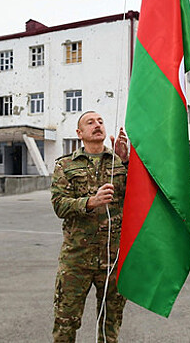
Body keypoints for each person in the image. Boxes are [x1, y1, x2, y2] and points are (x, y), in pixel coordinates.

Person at [51, 111, 129, 342]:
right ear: (79, 133)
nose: (97, 125)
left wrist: (126, 161)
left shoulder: (119, 162)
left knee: (110, 326)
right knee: (65, 324)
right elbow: (59, 205)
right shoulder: (65, 165)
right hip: (76, 260)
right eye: (90, 122)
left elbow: (141, 198)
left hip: (113, 260)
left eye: (101, 122)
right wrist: (90, 202)